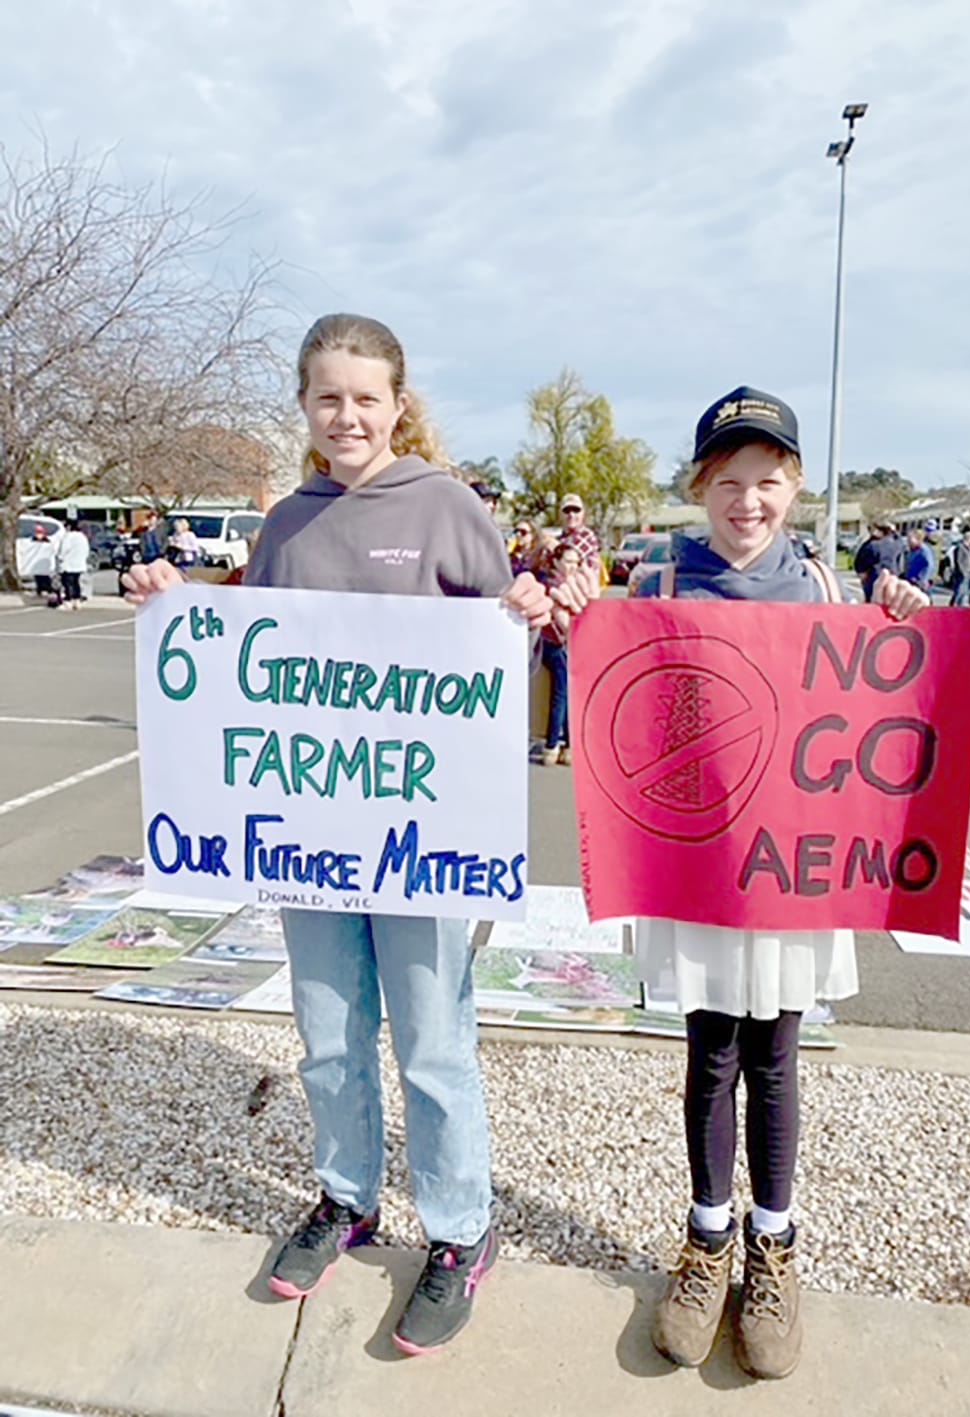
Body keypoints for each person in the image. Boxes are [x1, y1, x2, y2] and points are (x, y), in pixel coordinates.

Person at [122, 313, 551, 1357]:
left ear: (397, 403)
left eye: (365, 397)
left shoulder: (447, 508)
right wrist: (173, 604)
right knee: (326, 1034)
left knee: (432, 1040)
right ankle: (346, 1194)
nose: (347, 415)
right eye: (328, 398)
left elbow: (501, 672)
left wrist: (526, 613)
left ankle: (459, 1227)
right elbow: (246, 666)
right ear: (305, 407)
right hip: (311, 838)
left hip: (422, 841)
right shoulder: (287, 525)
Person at [552, 385, 928, 1382]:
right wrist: (571, 622)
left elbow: (871, 705)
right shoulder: (663, 575)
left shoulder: (821, 588)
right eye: (729, 481)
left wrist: (899, 620)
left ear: (793, 487)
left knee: (777, 1054)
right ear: (700, 487)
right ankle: (705, 1237)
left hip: (788, 873)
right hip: (699, 867)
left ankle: (774, 1244)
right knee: (710, 1051)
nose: (747, 499)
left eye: (767, 481)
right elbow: (610, 697)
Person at [539, 543, 591, 766]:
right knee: (561, 694)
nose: (573, 566)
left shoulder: (574, 584)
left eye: (576, 563)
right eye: (568, 561)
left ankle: (569, 745)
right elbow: (565, 618)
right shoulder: (551, 584)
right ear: (556, 562)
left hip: (568, 644)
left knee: (569, 694)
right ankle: (552, 745)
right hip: (555, 644)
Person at [557, 493, 601, 573]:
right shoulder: (562, 538)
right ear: (560, 514)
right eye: (566, 511)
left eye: (576, 510)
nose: (571, 515)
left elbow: (566, 552)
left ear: (583, 514)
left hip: (583, 583)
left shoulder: (587, 535)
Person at [55, 518, 90, 610]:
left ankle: (68, 601)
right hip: (79, 564)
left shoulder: (68, 536)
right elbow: (86, 550)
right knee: (76, 582)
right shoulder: (82, 537)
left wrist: (60, 558)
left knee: (67, 583)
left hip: (68, 564)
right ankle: (77, 601)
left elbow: (63, 550)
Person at [950, 530, 970, 606]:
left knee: (963, 592)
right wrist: (963, 572)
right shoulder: (961, 548)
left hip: (966, 573)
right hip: (962, 574)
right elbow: (959, 561)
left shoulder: (966, 548)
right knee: (959, 591)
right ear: (969, 539)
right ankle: (955, 606)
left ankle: (958, 605)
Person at [903, 527, 935, 592]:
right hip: (910, 579)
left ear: (918, 539)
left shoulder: (924, 551)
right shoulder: (911, 550)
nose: (908, 541)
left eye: (910, 539)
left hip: (919, 582)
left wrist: (921, 579)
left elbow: (929, 565)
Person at [28, 523, 56, 598]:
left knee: (45, 577)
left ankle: (48, 588)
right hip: (36, 564)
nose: (39, 534)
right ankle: (40, 589)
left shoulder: (47, 541)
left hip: (44, 564)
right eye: (38, 532)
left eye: (40, 532)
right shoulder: (32, 540)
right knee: (38, 577)